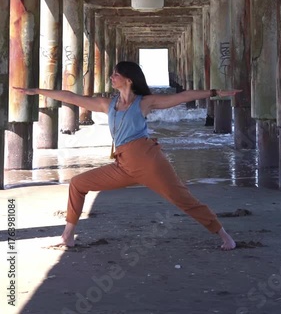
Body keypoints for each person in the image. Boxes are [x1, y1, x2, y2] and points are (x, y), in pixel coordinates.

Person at [15, 61, 241, 251]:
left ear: (129, 79)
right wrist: (37, 91)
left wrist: (215, 93)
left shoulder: (144, 103)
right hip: (122, 164)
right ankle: (67, 236)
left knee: (183, 200)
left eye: (116, 74)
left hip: (148, 161)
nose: (111, 77)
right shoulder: (108, 104)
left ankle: (224, 236)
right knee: (77, 183)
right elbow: (71, 97)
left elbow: (183, 96)